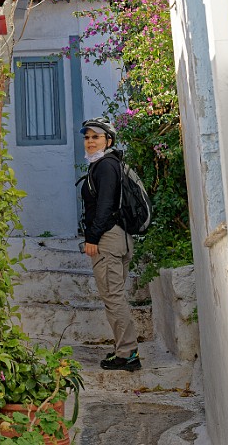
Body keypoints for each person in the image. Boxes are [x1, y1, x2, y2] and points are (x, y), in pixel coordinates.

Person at [80, 117, 142, 371]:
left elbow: (105, 205)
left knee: (113, 298)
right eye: (87, 137)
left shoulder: (105, 166)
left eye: (96, 137)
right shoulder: (107, 164)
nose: (90, 141)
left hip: (108, 239)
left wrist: (92, 238)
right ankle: (123, 349)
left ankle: (127, 354)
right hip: (118, 238)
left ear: (109, 140)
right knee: (114, 296)